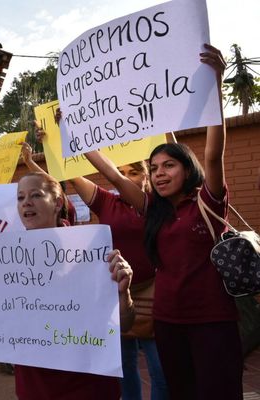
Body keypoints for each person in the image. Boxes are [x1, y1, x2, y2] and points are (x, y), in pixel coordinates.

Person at [79, 44, 243, 399]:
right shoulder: (153, 208)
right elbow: (111, 173)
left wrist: (216, 84)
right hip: (167, 322)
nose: (159, 173)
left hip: (212, 322)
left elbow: (214, 154)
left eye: (168, 165)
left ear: (187, 169)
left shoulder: (208, 202)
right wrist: (75, 134)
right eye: (154, 168)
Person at [0, 172, 135, 400]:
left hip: (90, 387)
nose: (26, 203)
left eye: (36, 195)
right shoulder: (1, 257)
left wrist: (123, 294)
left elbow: (125, 324)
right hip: (34, 389)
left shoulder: (91, 251)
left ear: (57, 203)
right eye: (20, 198)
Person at [25, 132, 168, 398]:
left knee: (160, 370)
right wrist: (52, 141)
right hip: (114, 295)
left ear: (145, 175)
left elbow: (113, 175)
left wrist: (74, 135)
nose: (127, 177)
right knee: (123, 367)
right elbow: (67, 176)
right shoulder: (106, 201)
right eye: (123, 171)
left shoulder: (153, 205)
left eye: (133, 172)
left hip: (152, 293)